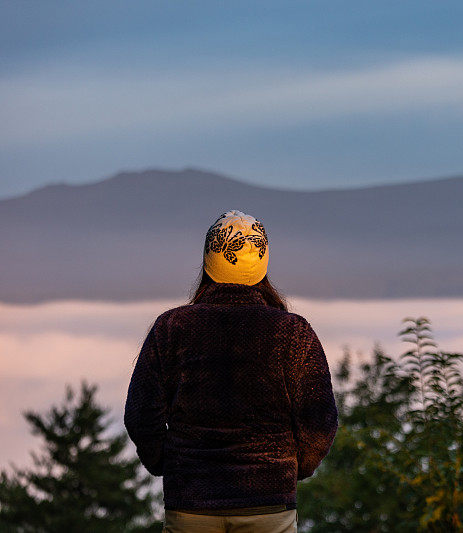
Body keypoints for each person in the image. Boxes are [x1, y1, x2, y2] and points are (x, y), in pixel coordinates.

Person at [124, 210, 339, 532]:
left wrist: (165, 463)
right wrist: (292, 468)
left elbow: (142, 415)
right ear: (263, 265)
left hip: (190, 501)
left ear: (208, 264)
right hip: (269, 503)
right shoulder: (292, 332)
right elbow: (320, 421)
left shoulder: (172, 327)